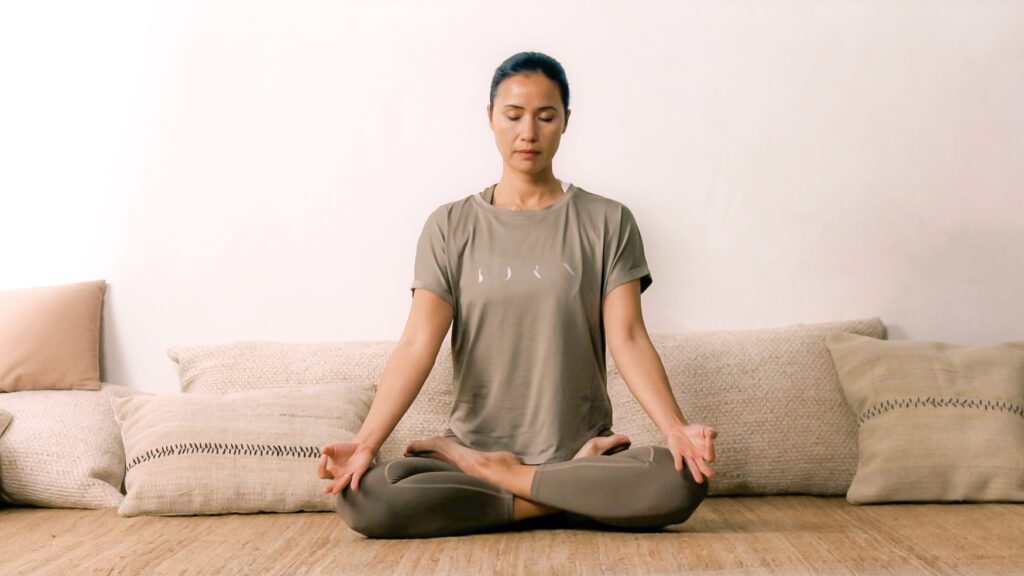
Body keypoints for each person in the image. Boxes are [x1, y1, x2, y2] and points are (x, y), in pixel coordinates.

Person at [318, 51, 718, 539]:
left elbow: (629, 337)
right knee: (365, 498)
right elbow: (417, 344)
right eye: (513, 116)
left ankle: (515, 482)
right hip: (473, 454)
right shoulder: (450, 226)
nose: (528, 132)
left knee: (682, 481)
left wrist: (675, 428)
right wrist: (365, 443)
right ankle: (561, 496)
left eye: (545, 117)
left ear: (566, 121)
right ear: (490, 117)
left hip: (583, 454)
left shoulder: (608, 221)